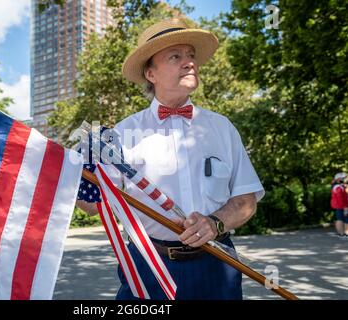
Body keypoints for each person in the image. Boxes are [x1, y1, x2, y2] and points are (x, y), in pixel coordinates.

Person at [76, 19, 265, 300]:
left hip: (218, 267)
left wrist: (215, 223)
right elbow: (92, 204)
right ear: (151, 73)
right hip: (148, 268)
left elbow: (245, 201)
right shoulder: (122, 133)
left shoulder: (222, 127)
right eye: (176, 56)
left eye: (191, 55)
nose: (189, 62)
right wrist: (77, 167)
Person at [330, 172, 348, 238]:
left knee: (341, 219)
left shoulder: (340, 186)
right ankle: (341, 234)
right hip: (340, 206)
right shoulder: (338, 187)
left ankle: (342, 233)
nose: (345, 180)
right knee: (340, 219)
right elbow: (340, 198)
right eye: (344, 178)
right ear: (338, 179)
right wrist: (345, 207)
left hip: (340, 205)